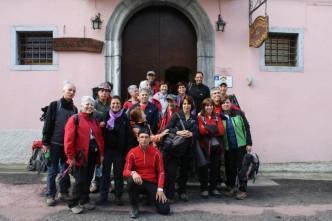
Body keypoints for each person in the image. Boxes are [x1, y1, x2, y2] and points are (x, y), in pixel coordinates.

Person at [64, 96, 104, 214]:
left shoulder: (93, 120)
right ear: (81, 105)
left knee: (87, 179)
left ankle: (84, 200)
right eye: (87, 104)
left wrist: (101, 154)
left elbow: (100, 138)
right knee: (80, 180)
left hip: (92, 155)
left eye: (91, 105)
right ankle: (73, 203)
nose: (89, 107)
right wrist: (70, 157)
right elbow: (68, 141)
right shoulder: (74, 119)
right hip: (79, 156)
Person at [42, 81, 77, 206]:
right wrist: (45, 143)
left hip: (67, 146)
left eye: (73, 90)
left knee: (65, 170)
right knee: (52, 170)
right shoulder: (54, 105)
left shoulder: (75, 109)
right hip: (54, 144)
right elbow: (47, 125)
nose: (71, 92)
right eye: (69, 90)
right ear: (63, 91)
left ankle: (63, 192)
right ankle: (50, 195)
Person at [123, 127, 170, 219]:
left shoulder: (156, 153)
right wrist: (133, 173)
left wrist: (160, 189)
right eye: (142, 137)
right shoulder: (132, 152)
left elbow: (161, 172)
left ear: (149, 139)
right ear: (138, 138)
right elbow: (125, 172)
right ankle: (134, 206)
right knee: (130, 181)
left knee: (165, 210)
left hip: (152, 183)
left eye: (146, 137)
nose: (144, 139)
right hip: (138, 182)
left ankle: (150, 198)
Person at [97, 96, 132, 206]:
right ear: (110, 104)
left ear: (121, 105)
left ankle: (118, 197)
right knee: (105, 174)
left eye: (117, 103)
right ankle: (103, 197)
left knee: (118, 175)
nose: (115, 105)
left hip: (119, 151)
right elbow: (98, 131)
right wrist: (101, 126)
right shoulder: (105, 115)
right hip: (107, 150)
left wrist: (127, 152)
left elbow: (128, 136)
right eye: (113, 103)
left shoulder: (125, 117)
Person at [163, 95, 198, 202]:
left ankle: (182, 191)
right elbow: (167, 129)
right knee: (172, 172)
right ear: (181, 105)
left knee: (184, 172)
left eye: (188, 104)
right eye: (184, 104)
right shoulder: (176, 115)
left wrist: (191, 133)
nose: (186, 106)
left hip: (187, 149)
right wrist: (178, 132)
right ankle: (170, 194)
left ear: (192, 106)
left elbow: (198, 133)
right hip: (175, 149)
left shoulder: (194, 118)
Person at [221, 96, 252, 200]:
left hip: (241, 146)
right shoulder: (220, 117)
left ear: (231, 103)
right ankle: (232, 188)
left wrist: (249, 143)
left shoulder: (239, 114)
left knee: (241, 169)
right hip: (228, 147)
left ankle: (242, 190)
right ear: (221, 106)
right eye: (223, 103)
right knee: (230, 168)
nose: (226, 104)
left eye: (227, 102)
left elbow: (247, 127)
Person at [197, 98, 224, 198]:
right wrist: (213, 128)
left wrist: (207, 128)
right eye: (207, 105)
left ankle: (214, 188)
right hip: (204, 146)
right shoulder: (200, 117)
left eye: (211, 105)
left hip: (216, 146)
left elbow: (221, 130)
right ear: (204, 107)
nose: (209, 107)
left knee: (215, 168)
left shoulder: (217, 116)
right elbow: (201, 130)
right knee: (204, 168)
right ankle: (204, 189)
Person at [90, 82, 112, 193]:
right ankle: (94, 182)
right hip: (95, 137)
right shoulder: (93, 104)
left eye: (106, 91)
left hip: (108, 137)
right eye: (102, 91)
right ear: (98, 92)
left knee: (105, 161)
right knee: (95, 160)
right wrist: (98, 124)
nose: (104, 93)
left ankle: (105, 182)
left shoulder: (111, 104)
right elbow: (88, 119)